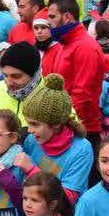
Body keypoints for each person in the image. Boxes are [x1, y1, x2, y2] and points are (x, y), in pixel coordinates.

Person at [42, 0, 105, 150]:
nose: (48, 22)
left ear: (67, 17)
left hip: (81, 129)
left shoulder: (85, 46)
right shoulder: (64, 43)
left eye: (52, 17)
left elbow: (82, 94)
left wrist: (64, 124)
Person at [19, 74, 94, 203]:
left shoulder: (82, 149)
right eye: (28, 123)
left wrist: (32, 170)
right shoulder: (32, 140)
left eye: (35, 124)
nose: (30, 130)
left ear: (55, 124)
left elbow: (68, 198)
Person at [0, 40, 41, 136]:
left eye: (16, 76)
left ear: (34, 75)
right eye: (5, 75)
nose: (9, 83)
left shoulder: (52, 95)